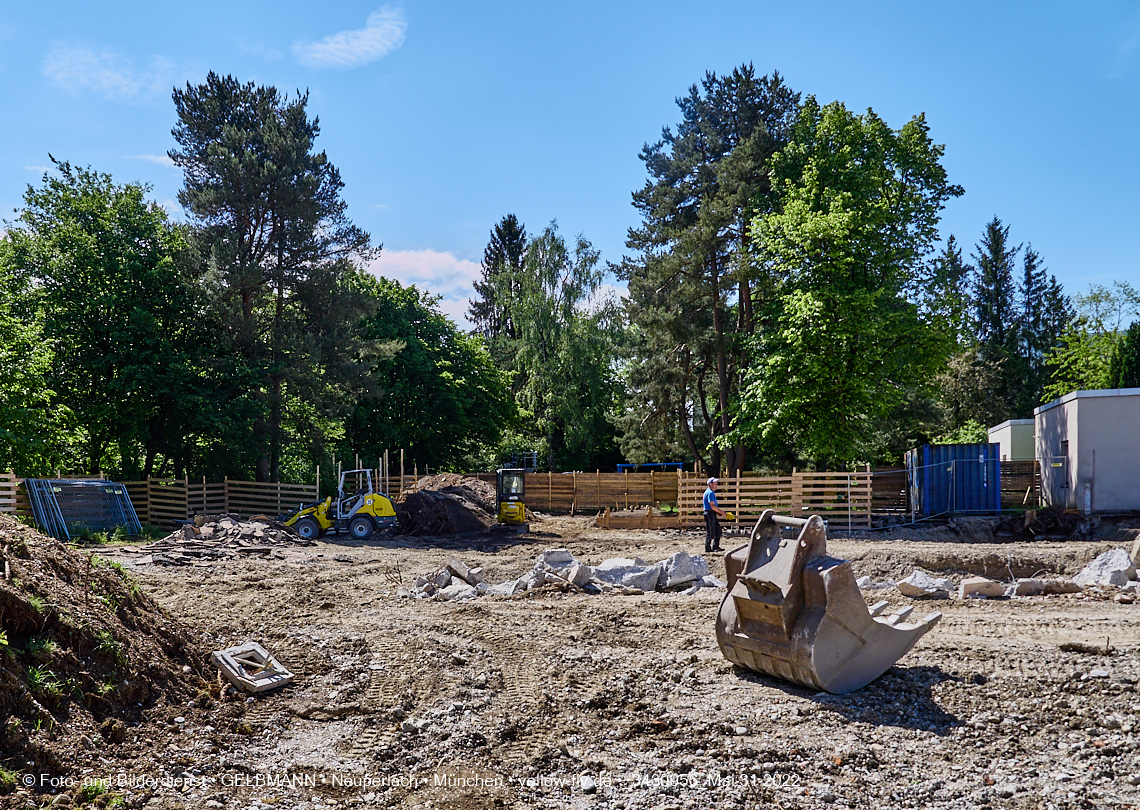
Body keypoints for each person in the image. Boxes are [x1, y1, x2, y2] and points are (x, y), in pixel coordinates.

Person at [702, 476, 726, 553]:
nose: (716, 485)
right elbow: (712, 505)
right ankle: (708, 548)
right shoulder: (710, 493)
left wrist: (717, 512)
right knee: (711, 531)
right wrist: (721, 512)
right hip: (710, 513)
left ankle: (715, 546)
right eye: (715, 483)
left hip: (711, 513)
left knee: (718, 530)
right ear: (710, 484)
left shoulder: (709, 492)